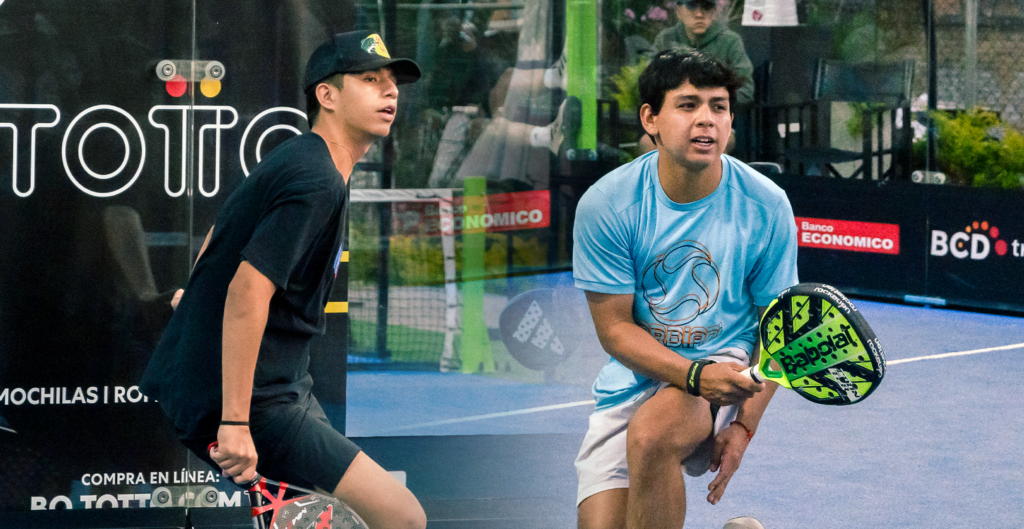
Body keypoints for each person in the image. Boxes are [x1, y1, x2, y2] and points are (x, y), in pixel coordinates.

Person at [140, 31, 427, 529]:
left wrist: (194, 300)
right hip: (254, 401)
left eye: (392, 82)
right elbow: (248, 291)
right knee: (401, 516)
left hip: (278, 384)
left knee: (320, 516)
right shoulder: (315, 178)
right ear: (327, 95)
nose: (391, 92)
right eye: (370, 79)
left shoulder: (306, 159)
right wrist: (234, 423)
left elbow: (218, 234)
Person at [572, 49, 798, 529]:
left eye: (718, 107)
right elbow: (614, 329)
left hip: (725, 368)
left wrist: (743, 425)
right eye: (688, 105)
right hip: (639, 374)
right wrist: (692, 375)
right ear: (650, 119)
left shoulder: (766, 205)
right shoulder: (607, 205)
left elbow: (782, 333)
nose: (706, 121)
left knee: (653, 436)